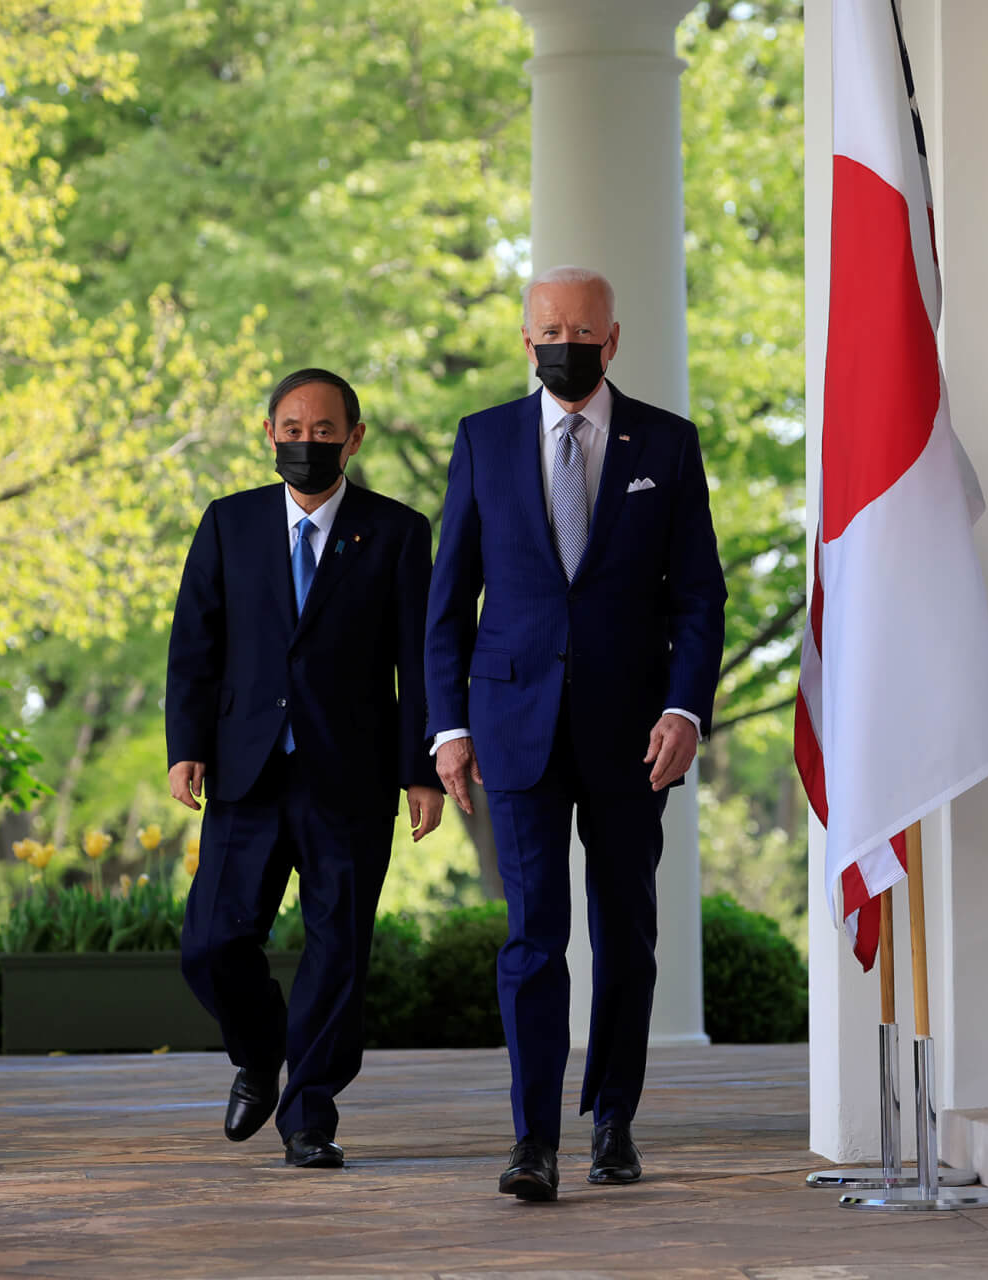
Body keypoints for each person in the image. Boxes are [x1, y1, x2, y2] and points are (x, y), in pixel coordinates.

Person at [425, 266, 727, 1201]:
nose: (564, 340)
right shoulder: (484, 440)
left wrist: (684, 709)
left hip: (635, 733)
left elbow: (700, 597)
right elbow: (448, 603)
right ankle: (532, 1140)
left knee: (626, 932)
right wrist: (447, 727)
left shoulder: (667, 447)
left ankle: (615, 1123)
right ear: (526, 340)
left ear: (613, 338)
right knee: (532, 938)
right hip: (514, 724)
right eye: (547, 327)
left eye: (580, 328)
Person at [166, 368, 445, 1169]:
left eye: (324, 431)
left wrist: (421, 768)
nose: (307, 444)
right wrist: (186, 746)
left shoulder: (397, 532)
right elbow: (195, 646)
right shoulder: (228, 524)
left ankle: (309, 1115)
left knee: (337, 952)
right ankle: (259, 1057)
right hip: (244, 775)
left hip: (350, 780)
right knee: (212, 944)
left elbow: (418, 660)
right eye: (292, 430)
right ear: (268, 435)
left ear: (354, 438)